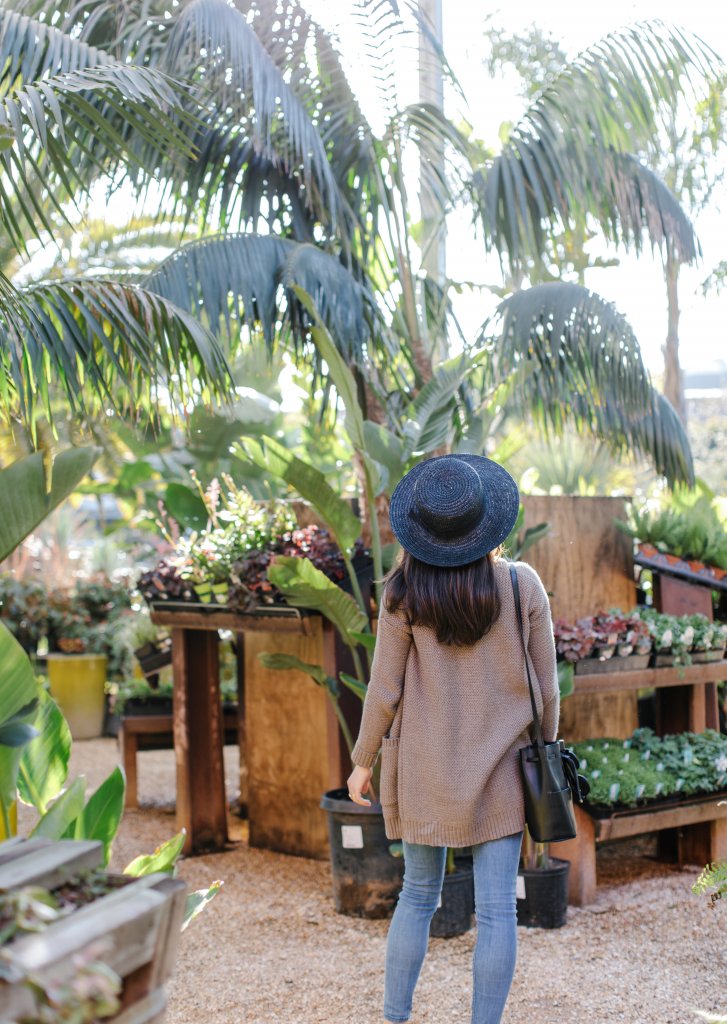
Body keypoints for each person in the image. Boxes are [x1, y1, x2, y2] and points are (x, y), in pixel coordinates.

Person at [346, 453, 559, 1024]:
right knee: (496, 912)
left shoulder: (402, 591)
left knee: (417, 896)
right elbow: (548, 689)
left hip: (423, 769)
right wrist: (548, 750)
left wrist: (362, 760)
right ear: (486, 520)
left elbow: (383, 690)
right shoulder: (521, 586)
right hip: (505, 773)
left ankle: (395, 1017)